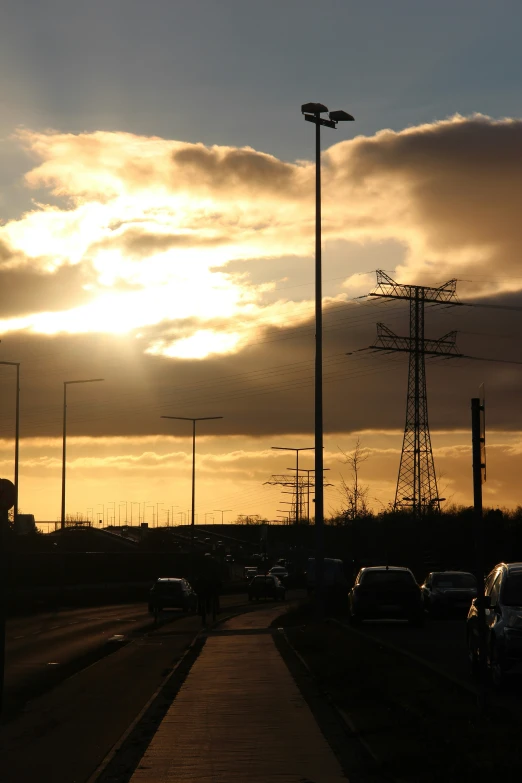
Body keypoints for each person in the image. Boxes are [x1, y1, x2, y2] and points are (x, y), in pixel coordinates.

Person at [195, 553, 222, 625]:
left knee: (201, 597)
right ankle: (216, 609)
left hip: (206, 586)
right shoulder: (213, 564)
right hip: (210, 585)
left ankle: (200, 610)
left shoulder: (201, 564)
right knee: (215, 595)